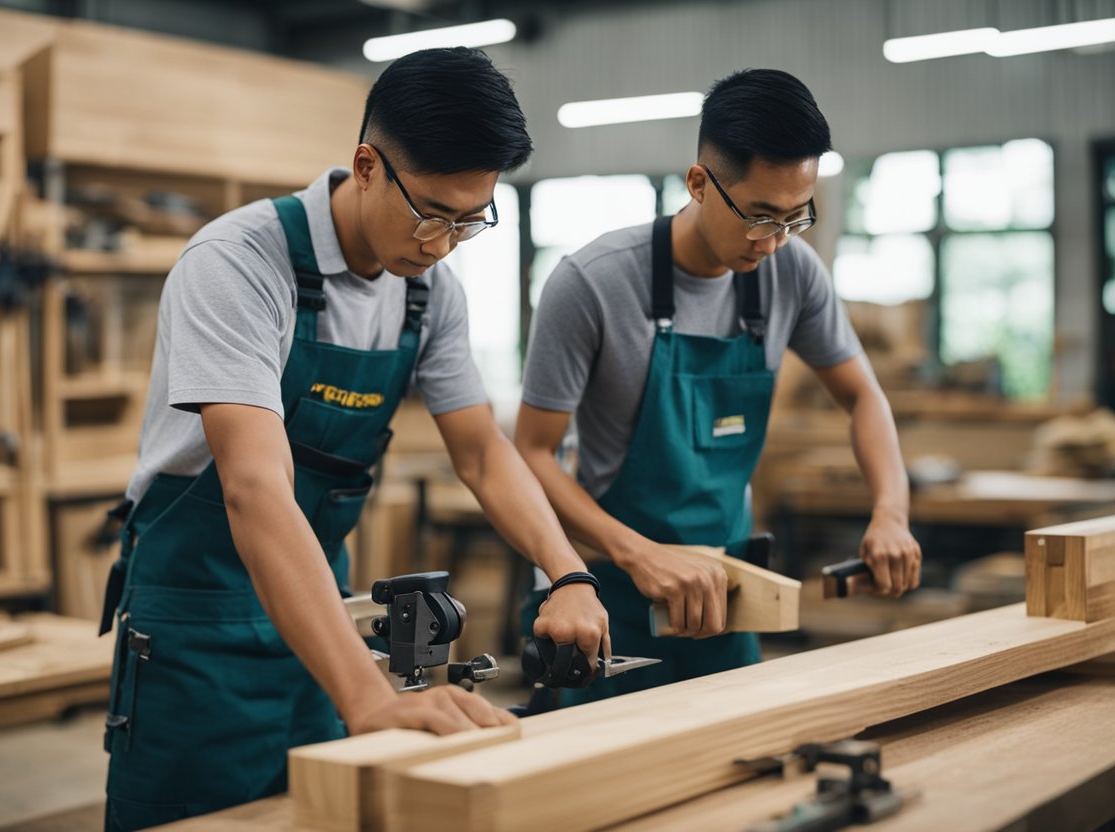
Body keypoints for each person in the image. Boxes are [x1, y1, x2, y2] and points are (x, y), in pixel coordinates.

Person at [99, 47, 609, 830]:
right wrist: (368, 697)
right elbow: (255, 487)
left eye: (470, 221)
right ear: (366, 165)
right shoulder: (237, 264)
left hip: (320, 615)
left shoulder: (430, 292)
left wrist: (568, 574)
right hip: (197, 625)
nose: (443, 244)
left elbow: (480, 453)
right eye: (432, 213)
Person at [514, 68, 921, 707]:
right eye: (759, 216)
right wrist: (639, 553)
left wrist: (890, 513)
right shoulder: (592, 284)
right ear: (699, 183)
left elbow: (863, 396)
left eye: (796, 216)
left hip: (727, 595)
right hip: (607, 596)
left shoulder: (792, 274)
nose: (776, 240)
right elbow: (531, 454)